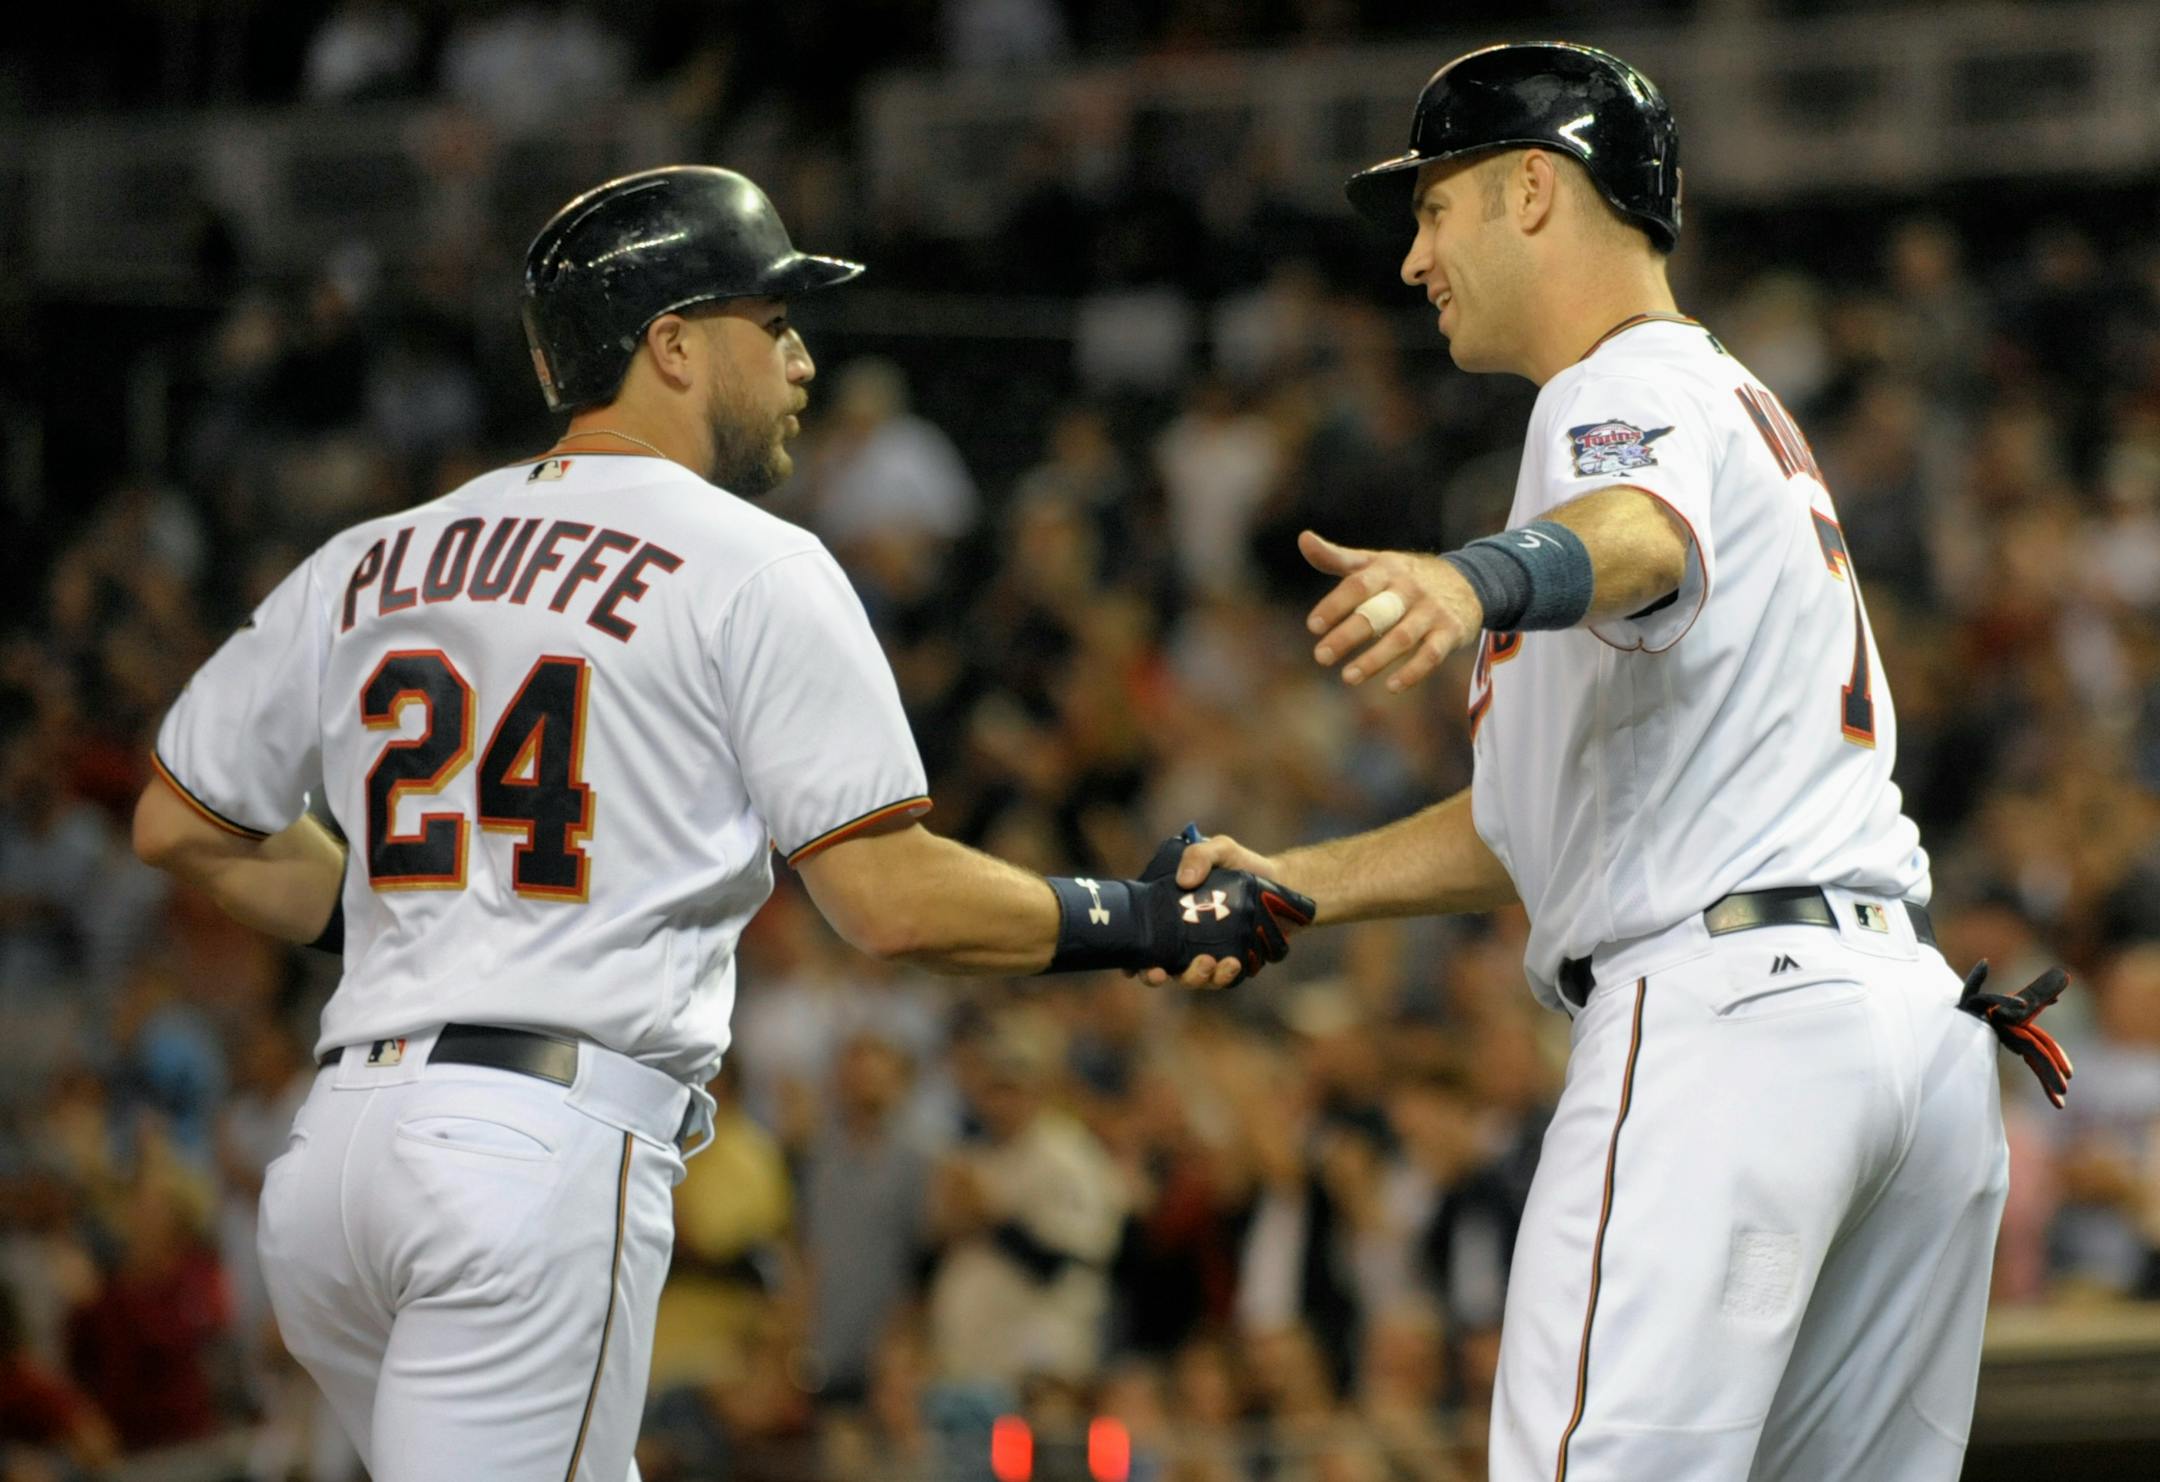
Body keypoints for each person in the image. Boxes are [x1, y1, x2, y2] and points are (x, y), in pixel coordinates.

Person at [128, 165, 1311, 1481]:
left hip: (334, 1165)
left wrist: (430, 937)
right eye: (773, 320)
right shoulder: (750, 559)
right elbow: (890, 899)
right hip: (528, 1155)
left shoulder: (371, 556)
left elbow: (181, 822)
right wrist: (1138, 918)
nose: (802, 358)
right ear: (672, 344)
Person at [1153, 44, 2070, 1482]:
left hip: (1734, 1030)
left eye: (1434, 208)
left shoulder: (1616, 385)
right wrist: (1299, 884)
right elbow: (1538, 821)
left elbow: (1638, 535)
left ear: (1533, 189)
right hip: (1907, 1037)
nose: (1411, 259)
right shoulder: (1731, 402)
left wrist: (1478, 578)